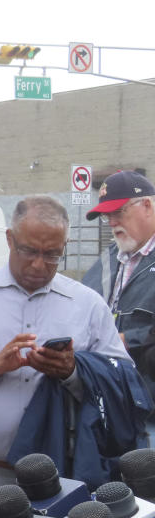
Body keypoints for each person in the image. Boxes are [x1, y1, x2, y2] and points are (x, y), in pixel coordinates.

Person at [0, 195, 129, 515]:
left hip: (62, 479)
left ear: (64, 246)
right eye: (29, 250)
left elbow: (122, 381)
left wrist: (74, 371)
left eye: (52, 254)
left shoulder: (87, 304)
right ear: (9, 239)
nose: (38, 264)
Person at [81, 170, 155, 444]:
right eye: (106, 215)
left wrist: (123, 340)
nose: (111, 222)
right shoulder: (110, 257)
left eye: (118, 212)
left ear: (146, 205)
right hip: (107, 405)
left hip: (149, 412)